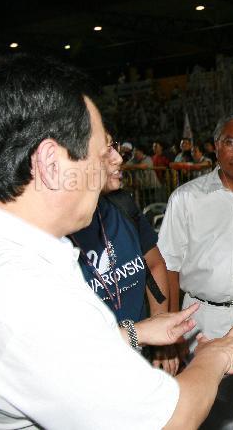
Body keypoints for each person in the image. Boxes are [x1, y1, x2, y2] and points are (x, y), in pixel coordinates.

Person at [0, 53, 233, 429]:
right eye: (101, 153)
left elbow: (64, 353)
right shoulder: (30, 296)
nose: (113, 164)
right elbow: (169, 420)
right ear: (50, 162)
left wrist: (138, 331)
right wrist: (217, 357)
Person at [159, 111, 233, 430]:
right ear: (216, 146)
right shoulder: (186, 199)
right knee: (209, 413)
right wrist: (172, 329)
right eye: (231, 142)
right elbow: (168, 265)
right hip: (201, 319)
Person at [69, 131, 178, 373]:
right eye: (106, 150)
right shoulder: (50, 238)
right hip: (94, 369)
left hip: (143, 357)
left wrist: (158, 325)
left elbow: (155, 264)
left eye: (115, 147)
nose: (118, 158)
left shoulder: (122, 206)